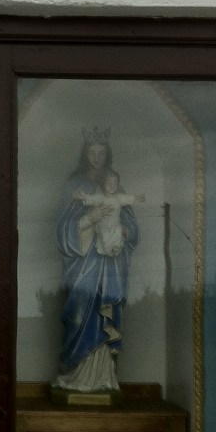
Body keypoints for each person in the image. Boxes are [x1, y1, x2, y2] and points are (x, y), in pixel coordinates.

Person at [53, 130, 140, 394]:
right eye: (92, 152)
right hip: (84, 266)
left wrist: (126, 231)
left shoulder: (116, 187)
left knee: (107, 315)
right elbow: (61, 228)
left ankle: (103, 376)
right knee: (80, 315)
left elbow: (133, 225)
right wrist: (90, 218)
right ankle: (77, 375)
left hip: (110, 264)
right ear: (85, 153)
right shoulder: (75, 185)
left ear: (108, 154)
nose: (97, 158)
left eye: (102, 152)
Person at [73, 170, 145, 258]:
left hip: (115, 223)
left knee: (118, 232)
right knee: (105, 235)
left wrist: (136, 198)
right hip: (103, 224)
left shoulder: (118, 198)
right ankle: (108, 250)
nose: (112, 186)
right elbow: (91, 199)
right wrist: (82, 196)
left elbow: (128, 198)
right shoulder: (100, 197)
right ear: (103, 184)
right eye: (109, 183)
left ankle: (116, 248)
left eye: (115, 183)